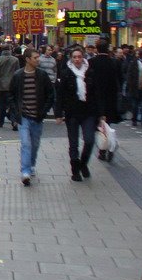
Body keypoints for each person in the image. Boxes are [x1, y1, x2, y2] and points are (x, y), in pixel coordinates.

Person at [9, 47, 57, 186]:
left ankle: (31, 165)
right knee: (26, 144)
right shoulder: (18, 75)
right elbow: (11, 95)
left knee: (35, 144)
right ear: (28, 59)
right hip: (23, 116)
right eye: (36, 58)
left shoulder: (42, 75)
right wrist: (15, 113)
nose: (38, 60)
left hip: (37, 117)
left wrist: (44, 111)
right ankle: (25, 172)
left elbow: (50, 94)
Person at [58, 46, 98, 182]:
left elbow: (96, 94)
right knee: (73, 143)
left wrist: (101, 113)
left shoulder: (91, 72)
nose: (77, 59)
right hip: (72, 112)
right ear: (71, 58)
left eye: (79, 57)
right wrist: (59, 113)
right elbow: (61, 94)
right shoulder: (66, 73)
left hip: (88, 112)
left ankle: (83, 163)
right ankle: (75, 170)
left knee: (89, 140)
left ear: (83, 58)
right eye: (74, 57)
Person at [86, 38, 121, 124]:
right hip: (110, 97)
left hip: (94, 97)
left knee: (95, 124)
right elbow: (119, 80)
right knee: (106, 126)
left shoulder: (90, 62)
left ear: (96, 49)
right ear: (108, 48)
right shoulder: (114, 62)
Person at [0, 44, 20, 130]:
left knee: (1, 105)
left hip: (3, 86)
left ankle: (0, 122)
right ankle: (14, 122)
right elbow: (18, 72)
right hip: (13, 86)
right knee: (13, 104)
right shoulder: (15, 60)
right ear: (10, 50)